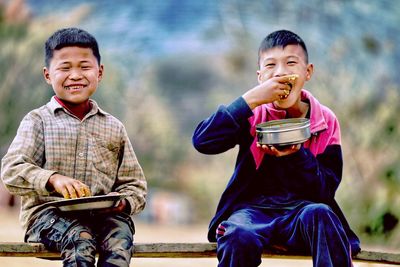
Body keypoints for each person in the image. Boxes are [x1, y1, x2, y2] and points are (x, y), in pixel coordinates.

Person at [192, 29, 360, 267]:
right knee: (237, 235)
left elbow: (325, 190)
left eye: (291, 63)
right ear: (260, 77)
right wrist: (249, 100)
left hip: (302, 213)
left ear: (307, 72)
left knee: (323, 214)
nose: (281, 72)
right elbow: (203, 142)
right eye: (271, 66)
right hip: (252, 212)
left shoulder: (325, 121)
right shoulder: (253, 114)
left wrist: (298, 155)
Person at [1, 27, 147, 267]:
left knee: (120, 242)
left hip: (103, 218)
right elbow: (11, 171)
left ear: (99, 72)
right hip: (47, 217)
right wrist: (53, 179)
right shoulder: (37, 121)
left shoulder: (114, 127)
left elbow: (135, 185)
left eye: (85, 67)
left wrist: (121, 202)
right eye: (65, 68)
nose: (76, 75)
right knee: (80, 240)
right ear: (48, 75)